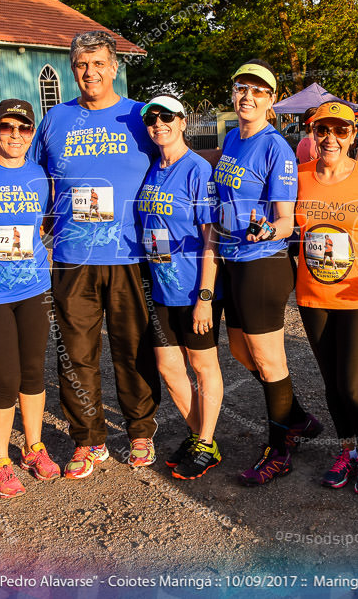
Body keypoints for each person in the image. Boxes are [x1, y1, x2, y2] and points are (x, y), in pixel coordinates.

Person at [31, 30, 160, 479]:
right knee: (75, 351)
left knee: (133, 348)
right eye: (82, 65)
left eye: (99, 64)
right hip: (72, 256)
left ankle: (140, 431)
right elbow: (31, 181)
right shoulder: (54, 121)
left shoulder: (142, 116)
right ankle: (88, 440)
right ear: (72, 69)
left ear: (115, 66)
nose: (90, 73)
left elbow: (175, 164)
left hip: (130, 254)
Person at [213, 59, 321, 486]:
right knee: (242, 353)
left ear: (270, 101)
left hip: (264, 262)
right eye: (242, 88)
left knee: (269, 361)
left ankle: (279, 452)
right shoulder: (231, 139)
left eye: (258, 92)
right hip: (232, 261)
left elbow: (286, 220)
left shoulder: (275, 146)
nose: (248, 97)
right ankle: (297, 419)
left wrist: (265, 232)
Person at [0, 99, 59, 498]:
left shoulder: (40, 175)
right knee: (5, 379)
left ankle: (33, 446)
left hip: (34, 288)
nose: (15, 136)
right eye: (7, 127)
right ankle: (0, 460)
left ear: (31, 133)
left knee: (34, 372)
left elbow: (46, 223)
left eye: (24, 129)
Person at [296, 101, 358, 495]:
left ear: (353, 135)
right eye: (323, 131)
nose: (331, 138)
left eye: (341, 131)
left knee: (352, 384)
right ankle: (345, 450)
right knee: (331, 382)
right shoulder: (297, 176)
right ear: (313, 134)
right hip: (312, 294)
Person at [135, 94, 224, 480]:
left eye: (167, 116)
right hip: (160, 288)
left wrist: (205, 297)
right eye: (151, 118)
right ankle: (197, 437)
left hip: (193, 290)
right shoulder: (152, 168)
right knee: (169, 368)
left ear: (183, 121)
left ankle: (207, 442)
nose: (158, 123)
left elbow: (211, 238)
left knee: (202, 366)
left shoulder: (197, 170)